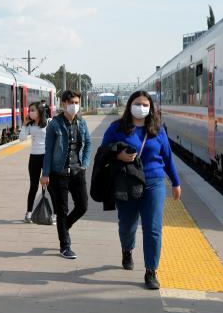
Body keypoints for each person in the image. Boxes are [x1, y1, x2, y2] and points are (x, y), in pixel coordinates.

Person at [100, 90, 181, 290]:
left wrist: (176, 183)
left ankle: (151, 271)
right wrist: (118, 156)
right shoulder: (117, 128)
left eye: (146, 105)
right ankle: (127, 250)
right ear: (129, 105)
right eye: (138, 103)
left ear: (151, 108)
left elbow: (168, 157)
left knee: (153, 229)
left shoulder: (158, 130)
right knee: (127, 225)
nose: (142, 107)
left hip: (154, 182)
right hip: (128, 183)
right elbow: (103, 152)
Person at [41, 90, 91, 259]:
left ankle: (64, 226)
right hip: (58, 174)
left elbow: (89, 143)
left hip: (78, 172)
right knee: (62, 211)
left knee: (82, 206)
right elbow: (48, 151)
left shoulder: (82, 122)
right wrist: (45, 173)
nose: (74, 106)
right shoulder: (54, 124)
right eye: (71, 103)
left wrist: (84, 164)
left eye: (77, 102)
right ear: (63, 104)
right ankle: (65, 245)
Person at [19, 102, 54, 224]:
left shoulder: (49, 122)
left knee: (50, 186)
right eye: (30, 110)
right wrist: (24, 124)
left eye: (33, 110)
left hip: (46, 157)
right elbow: (22, 138)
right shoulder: (30, 124)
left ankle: (53, 215)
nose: (30, 112)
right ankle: (29, 213)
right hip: (34, 157)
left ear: (39, 111)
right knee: (33, 186)